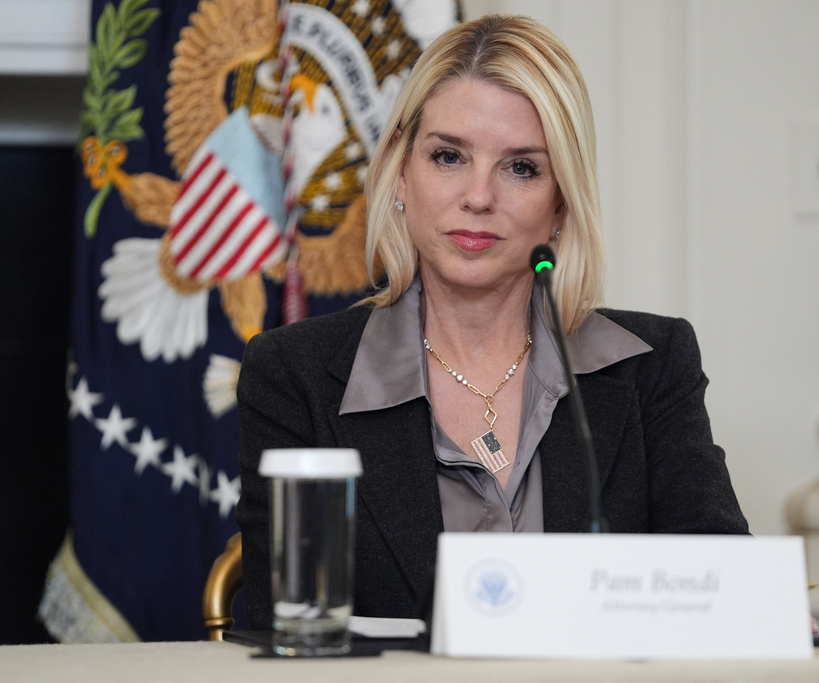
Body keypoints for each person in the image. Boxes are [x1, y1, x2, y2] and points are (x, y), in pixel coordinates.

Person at [235, 13, 748, 630]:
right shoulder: (296, 375)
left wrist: (749, 607)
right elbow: (275, 632)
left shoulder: (652, 365)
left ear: (562, 199)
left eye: (521, 167)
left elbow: (723, 588)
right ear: (401, 172)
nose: (479, 196)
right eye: (449, 156)